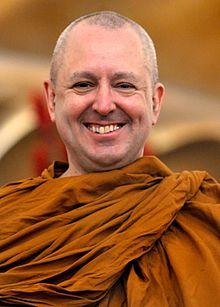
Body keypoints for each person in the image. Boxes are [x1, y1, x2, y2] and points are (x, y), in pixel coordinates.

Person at [0, 11, 219, 307]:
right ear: (52, 101)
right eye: (83, 84)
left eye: (125, 85)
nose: (104, 105)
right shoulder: (9, 219)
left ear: (155, 102)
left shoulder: (205, 224)